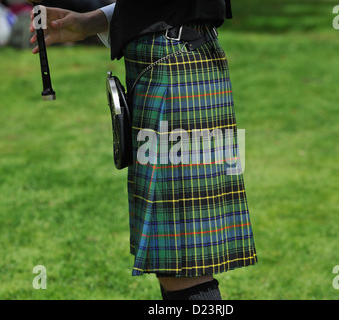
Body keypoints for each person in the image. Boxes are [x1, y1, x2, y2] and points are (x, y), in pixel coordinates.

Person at [30, 0, 257, 300]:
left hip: (174, 62)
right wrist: (95, 20)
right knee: (178, 263)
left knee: (182, 265)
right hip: (176, 56)